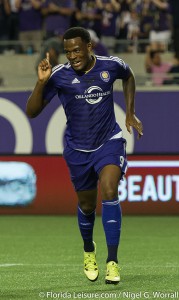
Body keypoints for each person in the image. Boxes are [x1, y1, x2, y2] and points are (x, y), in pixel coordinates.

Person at [26, 27, 143, 284]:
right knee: (88, 205)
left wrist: (130, 111)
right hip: (78, 150)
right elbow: (32, 112)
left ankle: (113, 261)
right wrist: (41, 82)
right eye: (68, 52)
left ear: (89, 46)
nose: (72, 56)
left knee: (110, 190)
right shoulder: (59, 75)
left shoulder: (110, 66)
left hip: (108, 142)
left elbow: (129, 75)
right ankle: (89, 250)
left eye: (77, 50)